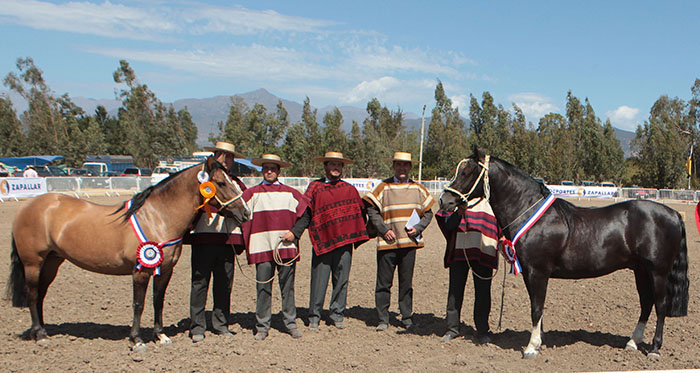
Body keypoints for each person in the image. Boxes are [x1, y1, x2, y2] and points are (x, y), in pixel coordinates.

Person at [281, 152, 369, 331]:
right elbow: (306, 214)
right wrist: (295, 233)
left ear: (342, 168)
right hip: (323, 242)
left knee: (341, 279)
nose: (336, 168)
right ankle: (314, 315)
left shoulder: (349, 190)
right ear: (326, 166)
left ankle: (337, 313)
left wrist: (360, 231)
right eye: (332, 164)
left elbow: (360, 213)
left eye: (339, 165)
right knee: (319, 280)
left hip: (345, 244)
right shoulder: (315, 188)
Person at [184, 141, 247, 343]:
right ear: (214, 157)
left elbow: (243, 205)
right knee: (199, 283)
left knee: (224, 284)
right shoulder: (202, 183)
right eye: (221, 156)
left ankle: (220, 323)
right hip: (204, 238)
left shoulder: (236, 183)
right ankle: (197, 326)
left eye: (229, 157)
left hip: (227, 241)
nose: (225, 160)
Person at [363, 152, 434, 331]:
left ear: (410, 167)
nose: (402, 168)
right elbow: (371, 210)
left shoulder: (418, 189)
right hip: (387, 243)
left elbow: (429, 213)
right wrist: (384, 229)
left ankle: (406, 316)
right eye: (399, 165)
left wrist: (418, 229)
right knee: (383, 283)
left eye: (405, 165)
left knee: (406, 282)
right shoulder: (383, 187)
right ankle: (383, 318)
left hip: (409, 243)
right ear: (393, 166)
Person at [241, 153, 309, 341]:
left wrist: (294, 233)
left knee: (288, 287)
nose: (269, 171)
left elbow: (305, 215)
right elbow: (237, 212)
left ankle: (290, 322)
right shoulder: (251, 194)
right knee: (263, 287)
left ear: (279, 171)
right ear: (262, 170)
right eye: (266, 168)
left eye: (273, 168)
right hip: (262, 246)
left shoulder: (291, 193)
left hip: (285, 247)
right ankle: (262, 325)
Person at [436, 198, 498, 344]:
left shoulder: (491, 200)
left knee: (483, 292)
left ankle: (482, 330)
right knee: (455, 291)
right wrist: (459, 213)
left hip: (484, 251)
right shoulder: (456, 198)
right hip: (459, 251)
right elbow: (448, 225)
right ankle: (452, 328)